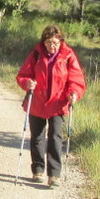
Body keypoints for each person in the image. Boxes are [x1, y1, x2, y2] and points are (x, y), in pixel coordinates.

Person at [15, 25, 86, 187]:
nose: (51, 46)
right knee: (37, 137)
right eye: (48, 43)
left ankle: (54, 175)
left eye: (54, 42)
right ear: (43, 42)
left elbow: (76, 79)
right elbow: (23, 75)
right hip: (37, 102)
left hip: (58, 103)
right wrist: (27, 83)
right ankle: (38, 170)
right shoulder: (36, 54)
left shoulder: (68, 56)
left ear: (61, 41)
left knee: (55, 137)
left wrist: (74, 92)